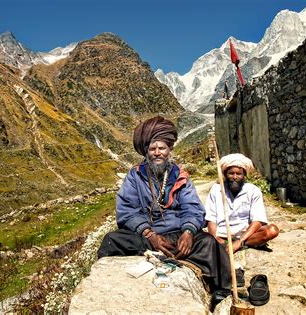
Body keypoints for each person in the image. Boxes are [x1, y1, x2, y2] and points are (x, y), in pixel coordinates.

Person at [98, 116, 231, 299]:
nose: (157, 153)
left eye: (162, 148)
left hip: (178, 237)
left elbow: (193, 208)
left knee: (210, 242)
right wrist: (149, 234)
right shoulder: (135, 176)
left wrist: (189, 232)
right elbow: (127, 210)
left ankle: (220, 291)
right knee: (112, 240)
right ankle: (106, 284)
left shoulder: (180, 176)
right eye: (152, 148)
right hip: (148, 237)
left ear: (169, 150)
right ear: (146, 152)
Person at [204, 153, 279, 286]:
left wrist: (240, 241)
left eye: (238, 173)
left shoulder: (253, 191)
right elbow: (211, 219)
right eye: (231, 173)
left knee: (272, 230)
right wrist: (216, 239)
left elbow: (258, 220)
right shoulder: (216, 190)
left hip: (245, 236)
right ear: (225, 174)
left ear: (244, 175)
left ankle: (237, 248)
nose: (234, 177)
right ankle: (230, 264)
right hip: (222, 236)